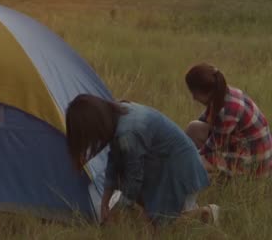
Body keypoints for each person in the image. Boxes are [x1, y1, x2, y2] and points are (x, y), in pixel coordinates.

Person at [66, 94, 217, 226]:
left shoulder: (128, 134)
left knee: (164, 228)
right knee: (150, 219)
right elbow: (114, 159)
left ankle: (205, 213)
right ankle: (176, 210)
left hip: (181, 172)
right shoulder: (117, 114)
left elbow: (133, 179)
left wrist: (116, 212)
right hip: (166, 167)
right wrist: (106, 199)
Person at [185, 63, 272, 177]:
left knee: (194, 163)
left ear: (207, 91)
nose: (194, 98)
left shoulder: (228, 111)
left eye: (194, 93)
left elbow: (212, 147)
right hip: (240, 144)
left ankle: (226, 179)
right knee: (193, 128)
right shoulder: (221, 94)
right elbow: (205, 121)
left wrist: (186, 158)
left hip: (254, 160)